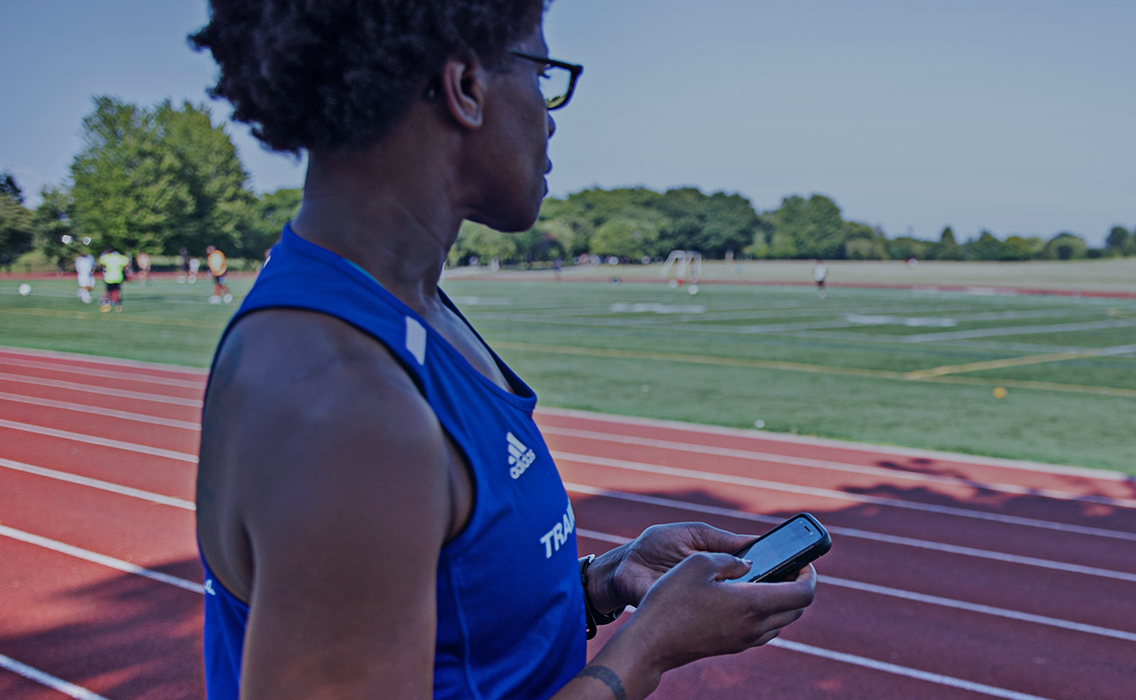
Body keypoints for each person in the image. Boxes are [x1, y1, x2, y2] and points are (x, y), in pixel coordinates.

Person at [188, 3, 817, 700]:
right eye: (542, 74)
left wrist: (608, 580)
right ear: (464, 88)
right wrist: (648, 649)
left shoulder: (408, 311)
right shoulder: (345, 404)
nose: (550, 117)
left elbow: (456, 628)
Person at [97, 247, 131, 312]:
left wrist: (104, 268)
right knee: (117, 291)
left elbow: (101, 264)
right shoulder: (120, 257)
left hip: (108, 277)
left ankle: (106, 303)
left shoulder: (106, 257)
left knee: (107, 291)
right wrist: (123, 270)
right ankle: (117, 304)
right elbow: (127, 264)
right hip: (118, 277)